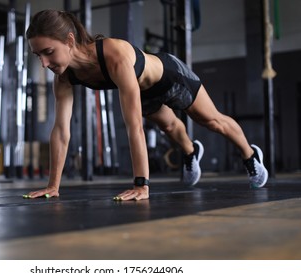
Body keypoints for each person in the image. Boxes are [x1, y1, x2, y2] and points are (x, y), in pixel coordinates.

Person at [25, 9, 268, 201]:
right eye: (38, 56)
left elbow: (134, 127)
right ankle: (191, 152)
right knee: (170, 127)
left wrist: (141, 184)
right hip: (143, 92)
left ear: (69, 40)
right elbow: (61, 130)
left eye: (48, 52)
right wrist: (52, 185)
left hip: (170, 76)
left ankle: (250, 156)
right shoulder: (64, 76)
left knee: (210, 120)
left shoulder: (113, 54)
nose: (44, 64)